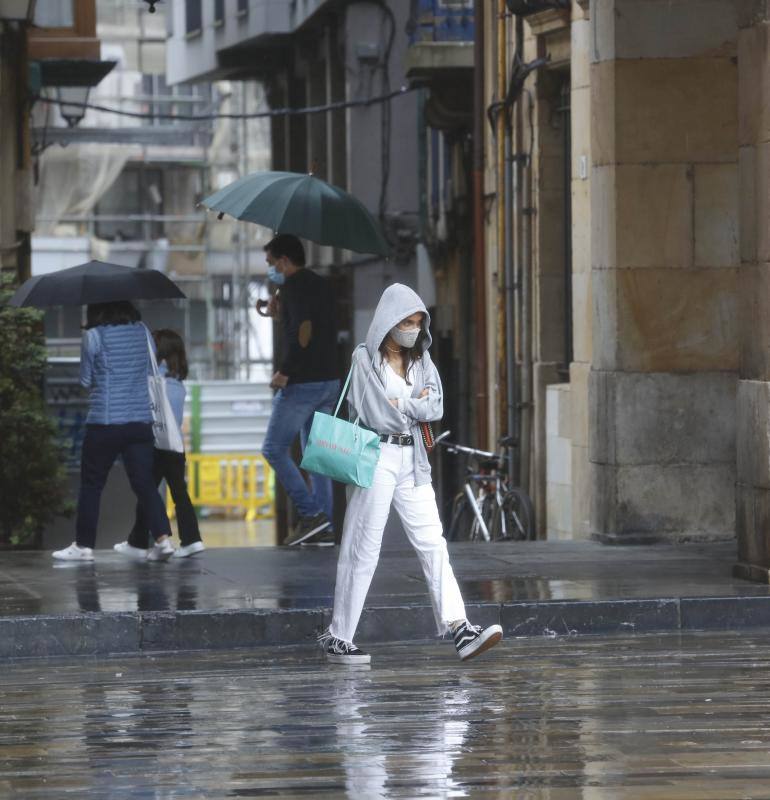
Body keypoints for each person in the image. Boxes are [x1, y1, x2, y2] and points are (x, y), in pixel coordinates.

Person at [318, 283, 503, 664]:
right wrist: (411, 403)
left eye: (419, 322)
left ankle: (460, 628)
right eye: (406, 321)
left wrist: (401, 402)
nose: (413, 329)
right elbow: (375, 414)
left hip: (413, 460)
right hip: (376, 456)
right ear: (389, 320)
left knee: (434, 543)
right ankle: (339, 635)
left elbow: (435, 406)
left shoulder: (423, 360)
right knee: (363, 547)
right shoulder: (364, 358)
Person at [52, 302, 175, 562]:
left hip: (105, 422)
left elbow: (85, 381)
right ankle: (164, 540)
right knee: (144, 483)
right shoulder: (143, 331)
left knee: (92, 485)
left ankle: (84, 546)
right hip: (139, 421)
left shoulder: (94, 336)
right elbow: (150, 369)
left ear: (97, 312)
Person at [259, 234, 341, 547]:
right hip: (329, 381)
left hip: (302, 383)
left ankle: (311, 515)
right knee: (317, 456)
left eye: (270, 263)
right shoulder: (321, 284)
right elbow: (312, 325)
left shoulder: (292, 287)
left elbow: (303, 333)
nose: (270, 269)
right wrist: (279, 313)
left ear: (283, 260)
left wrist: (284, 372)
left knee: (274, 449)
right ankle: (326, 528)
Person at [114, 329, 205, 560]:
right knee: (178, 494)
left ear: (160, 352)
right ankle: (191, 540)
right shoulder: (177, 383)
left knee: (148, 493)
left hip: (155, 446)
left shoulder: (156, 382)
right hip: (175, 446)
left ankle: (140, 542)